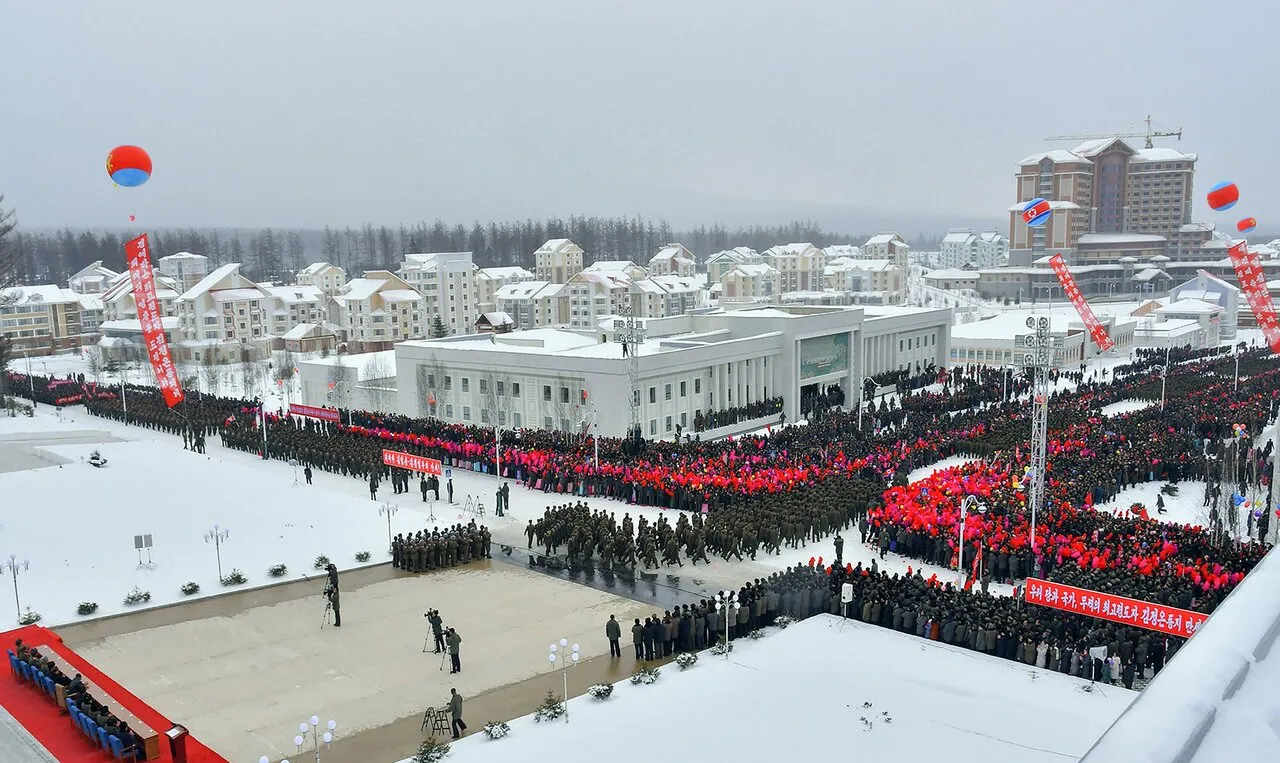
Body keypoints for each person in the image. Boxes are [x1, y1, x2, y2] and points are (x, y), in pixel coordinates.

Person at [325, 563, 342, 627]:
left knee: (337, 614)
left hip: (336, 606)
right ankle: (337, 623)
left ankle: (338, 623)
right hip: (336, 606)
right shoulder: (334, 570)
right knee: (337, 614)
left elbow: (333, 600)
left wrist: (329, 596)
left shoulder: (333, 572)